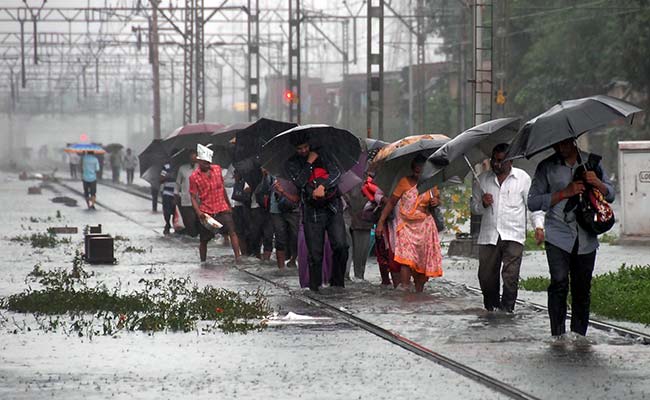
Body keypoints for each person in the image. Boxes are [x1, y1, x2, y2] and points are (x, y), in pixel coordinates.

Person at [528, 138, 615, 338]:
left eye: (564, 143)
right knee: (558, 282)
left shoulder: (592, 162)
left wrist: (597, 183)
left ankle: (579, 336)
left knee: (582, 288)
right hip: (558, 235)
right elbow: (532, 202)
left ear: (573, 141)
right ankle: (557, 335)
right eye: (556, 144)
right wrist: (563, 193)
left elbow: (611, 195)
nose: (560, 148)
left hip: (587, 236)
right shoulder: (546, 167)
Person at [470, 143, 545, 313]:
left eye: (501, 161)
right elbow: (473, 207)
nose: (496, 164)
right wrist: (482, 203)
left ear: (510, 161)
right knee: (486, 277)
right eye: (494, 160)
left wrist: (538, 227)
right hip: (489, 236)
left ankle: (507, 311)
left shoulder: (523, 179)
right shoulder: (482, 180)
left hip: (513, 235)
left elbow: (533, 206)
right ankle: (491, 309)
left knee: (511, 277)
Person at [285, 131, 349, 292]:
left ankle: (337, 283)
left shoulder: (324, 154)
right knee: (315, 254)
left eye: (306, 147)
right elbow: (299, 182)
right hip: (311, 211)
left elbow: (336, 173)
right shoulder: (291, 163)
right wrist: (309, 163)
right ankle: (315, 288)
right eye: (299, 149)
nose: (303, 151)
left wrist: (323, 186)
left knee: (341, 246)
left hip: (332, 207)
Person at [375, 154, 443, 292]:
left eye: (422, 169)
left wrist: (436, 201)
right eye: (417, 169)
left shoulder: (431, 184)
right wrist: (381, 222)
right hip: (406, 226)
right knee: (406, 259)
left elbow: (436, 199)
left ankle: (419, 291)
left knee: (422, 261)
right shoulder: (404, 182)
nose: (419, 172)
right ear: (412, 169)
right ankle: (404, 289)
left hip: (425, 227)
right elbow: (391, 203)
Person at [189, 144, 241, 263]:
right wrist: (199, 212)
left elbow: (222, 188)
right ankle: (203, 261)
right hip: (206, 211)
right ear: (199, 161)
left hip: (222, 207)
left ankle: (238, 257)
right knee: (204, 239)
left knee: (232, 231)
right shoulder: (194, 177)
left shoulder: (217, 170)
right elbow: (192, 196)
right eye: (204, 163)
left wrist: (228, 205)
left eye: (208, 162)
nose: (206, 165)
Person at [344, 181, 374, 280]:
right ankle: (345, 276)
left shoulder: (371, 175)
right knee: (344, 249)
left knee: (360, 258)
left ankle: (356, 277)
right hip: (344, 214)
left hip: (363, 217)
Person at [270, 177, 300, 269]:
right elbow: (271, 189)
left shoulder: (297, 173)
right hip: (277, 208)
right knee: (280, 237)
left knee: (295, 236)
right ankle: (281, 267)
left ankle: (293, 259)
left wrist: (283, 191)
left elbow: (297, 197)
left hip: (294, 208)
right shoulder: (275, 172)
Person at [248, 170, 274, 261]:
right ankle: (257, 256)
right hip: (256, 208)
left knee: (268, 235)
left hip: (270, 208)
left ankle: (266, 259)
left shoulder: (273, 175)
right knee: (256, 235)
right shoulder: (253, 174)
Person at [175, 149, 199, 237]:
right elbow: (178, 183)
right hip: (187, 199)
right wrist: (176, 194)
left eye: (195, 155)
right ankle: (192, 236)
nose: (193, 158)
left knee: (199, 220)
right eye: (192, 156)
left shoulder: (201, 168)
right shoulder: (182, 169)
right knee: (190, 220)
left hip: (199, 200)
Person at [159, 162, 176, 235]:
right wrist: (168, 177)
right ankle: (167, 224)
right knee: (167, 211)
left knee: (176, 212)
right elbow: (161, 178)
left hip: (178, 193)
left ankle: (176, 226)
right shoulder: (166, 166)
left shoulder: (182, 167)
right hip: (167, 193)